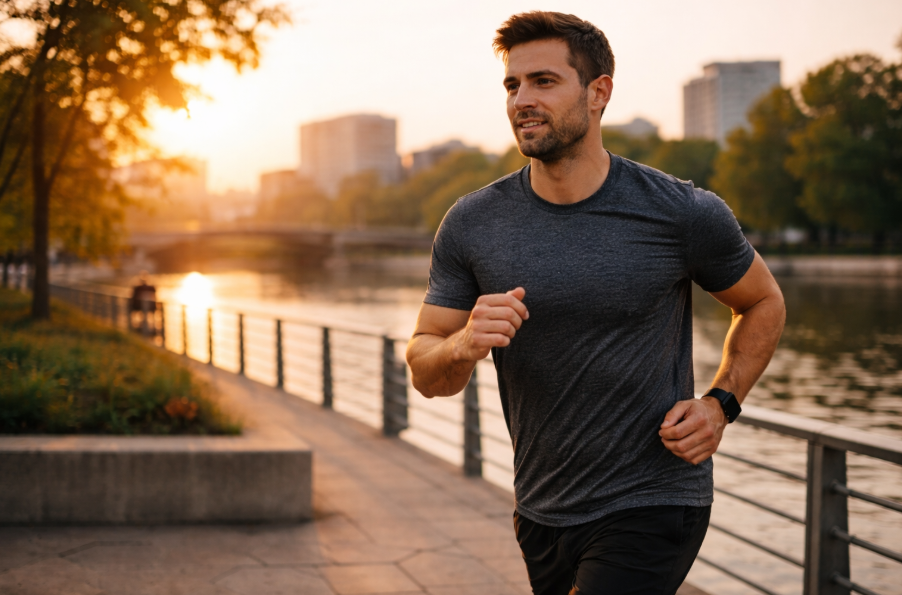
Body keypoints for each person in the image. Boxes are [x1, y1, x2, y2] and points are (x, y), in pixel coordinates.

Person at [405, 11, 785, 595]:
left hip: (654, 498)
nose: (522, 100)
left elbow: (763, 302)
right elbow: (427, 372)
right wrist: (463, 343)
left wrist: (719, 404)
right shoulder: (471, 224)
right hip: (541, 508)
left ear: (599, 91)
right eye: (512, 85)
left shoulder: (681, 212)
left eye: (544, 81)